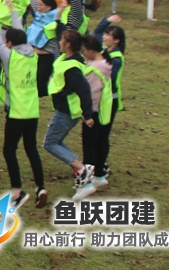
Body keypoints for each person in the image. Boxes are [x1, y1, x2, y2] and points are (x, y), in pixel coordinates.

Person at [0, 0, 46, 210]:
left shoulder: (9, 57)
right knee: (31, 149)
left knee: (9, 150)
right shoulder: (31, 55)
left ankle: (17, 192)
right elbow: (19, 31)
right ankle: (40, 187)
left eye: (6, 40)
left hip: (16, 112)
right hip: (33, 111)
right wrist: (13, 12)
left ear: (9, 42)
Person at [43, 29, 96, 201]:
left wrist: (88, 115)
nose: (59, 41)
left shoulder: (72, 68)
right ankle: (83, 172)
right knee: (56, 141)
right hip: (66, 108)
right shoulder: (67, 59)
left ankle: (82, 169)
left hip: (68, 111)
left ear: (67, 44)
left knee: (50, 143)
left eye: (62, 39)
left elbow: (85, 90)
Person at [79, 34, 114, 199]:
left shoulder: (94, 69)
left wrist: (86, 114)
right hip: (105, 109)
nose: (83, 53)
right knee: (101, 141)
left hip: (93, 110)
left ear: (92, 51)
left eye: (85, 51)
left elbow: (90, 94)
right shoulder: (105, 62)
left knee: (89, 145)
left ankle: (88, 181)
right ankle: (99, 175)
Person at [93, 14, 125, 181]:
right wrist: (107, 19)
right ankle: (97, 165)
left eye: (108, 36)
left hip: (109, 100)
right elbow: (96, 32)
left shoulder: (116, 58)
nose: (104, 37)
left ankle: (101, 167)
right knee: (96, 135)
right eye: (105, 35)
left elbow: (108, 77)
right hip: (100, 98)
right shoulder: (105, 49)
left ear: (117, 41)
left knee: (102, 135)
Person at [24, 0, 60, 97]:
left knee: (41, 86)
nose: (38, 7)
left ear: (50, 7)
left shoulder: (56, 17)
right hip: (33, 55)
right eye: (38, 5)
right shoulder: (38, 15)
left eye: (41, 5)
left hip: (47, 56)